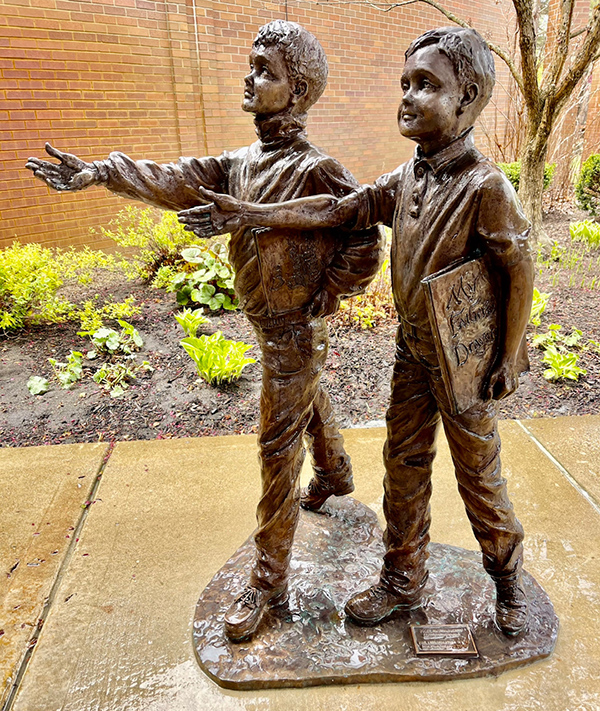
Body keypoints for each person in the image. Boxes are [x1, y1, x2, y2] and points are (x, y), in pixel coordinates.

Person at [26, 20, 383, 642]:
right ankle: (335, 473)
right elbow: (175, 178)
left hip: (296, 328)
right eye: (252, 65)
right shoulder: (238, 164)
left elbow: (364, 240)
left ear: (298, 91)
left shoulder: (319, 170)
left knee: (276, 448)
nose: (249, 78)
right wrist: (103, 172)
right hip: (272, 323)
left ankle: (268, 582)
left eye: (265, 71)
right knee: (307, 392)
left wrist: (325, 295)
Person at [181, 27, 534, 637]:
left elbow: (518, 268)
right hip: (413, 353)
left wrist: (507, 354)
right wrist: (250, 213)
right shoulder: (407, 178)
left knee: (479, 475)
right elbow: (337, 209)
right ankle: (402, 579)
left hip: (465, 364)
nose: (408, 96)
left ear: (468, 98)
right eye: (405, 83)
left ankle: (507, 580)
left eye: (426, 85)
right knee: (403, 466)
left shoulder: (486, 187)